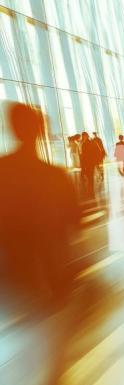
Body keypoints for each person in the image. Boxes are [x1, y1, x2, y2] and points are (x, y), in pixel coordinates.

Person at [0, 102, 82, 303]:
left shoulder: (3, 170)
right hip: (51, 271)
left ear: (12, 128)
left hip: (14, 274)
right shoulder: (55, 176)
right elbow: (75, 219)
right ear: (40, 130)